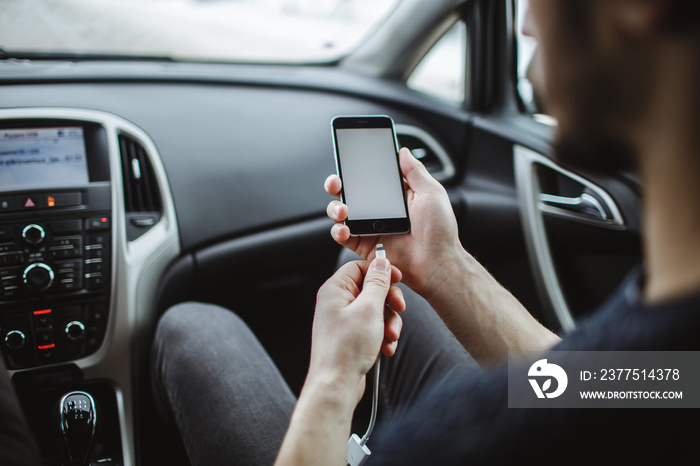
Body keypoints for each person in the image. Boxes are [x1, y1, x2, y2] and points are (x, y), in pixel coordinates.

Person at [152, 0, 700, 464]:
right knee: (367, 274)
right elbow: (616, 388)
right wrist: (443, 264)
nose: (528, 23)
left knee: (191, 326)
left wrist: (334, 380)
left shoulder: (446, 441)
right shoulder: (668, 372)